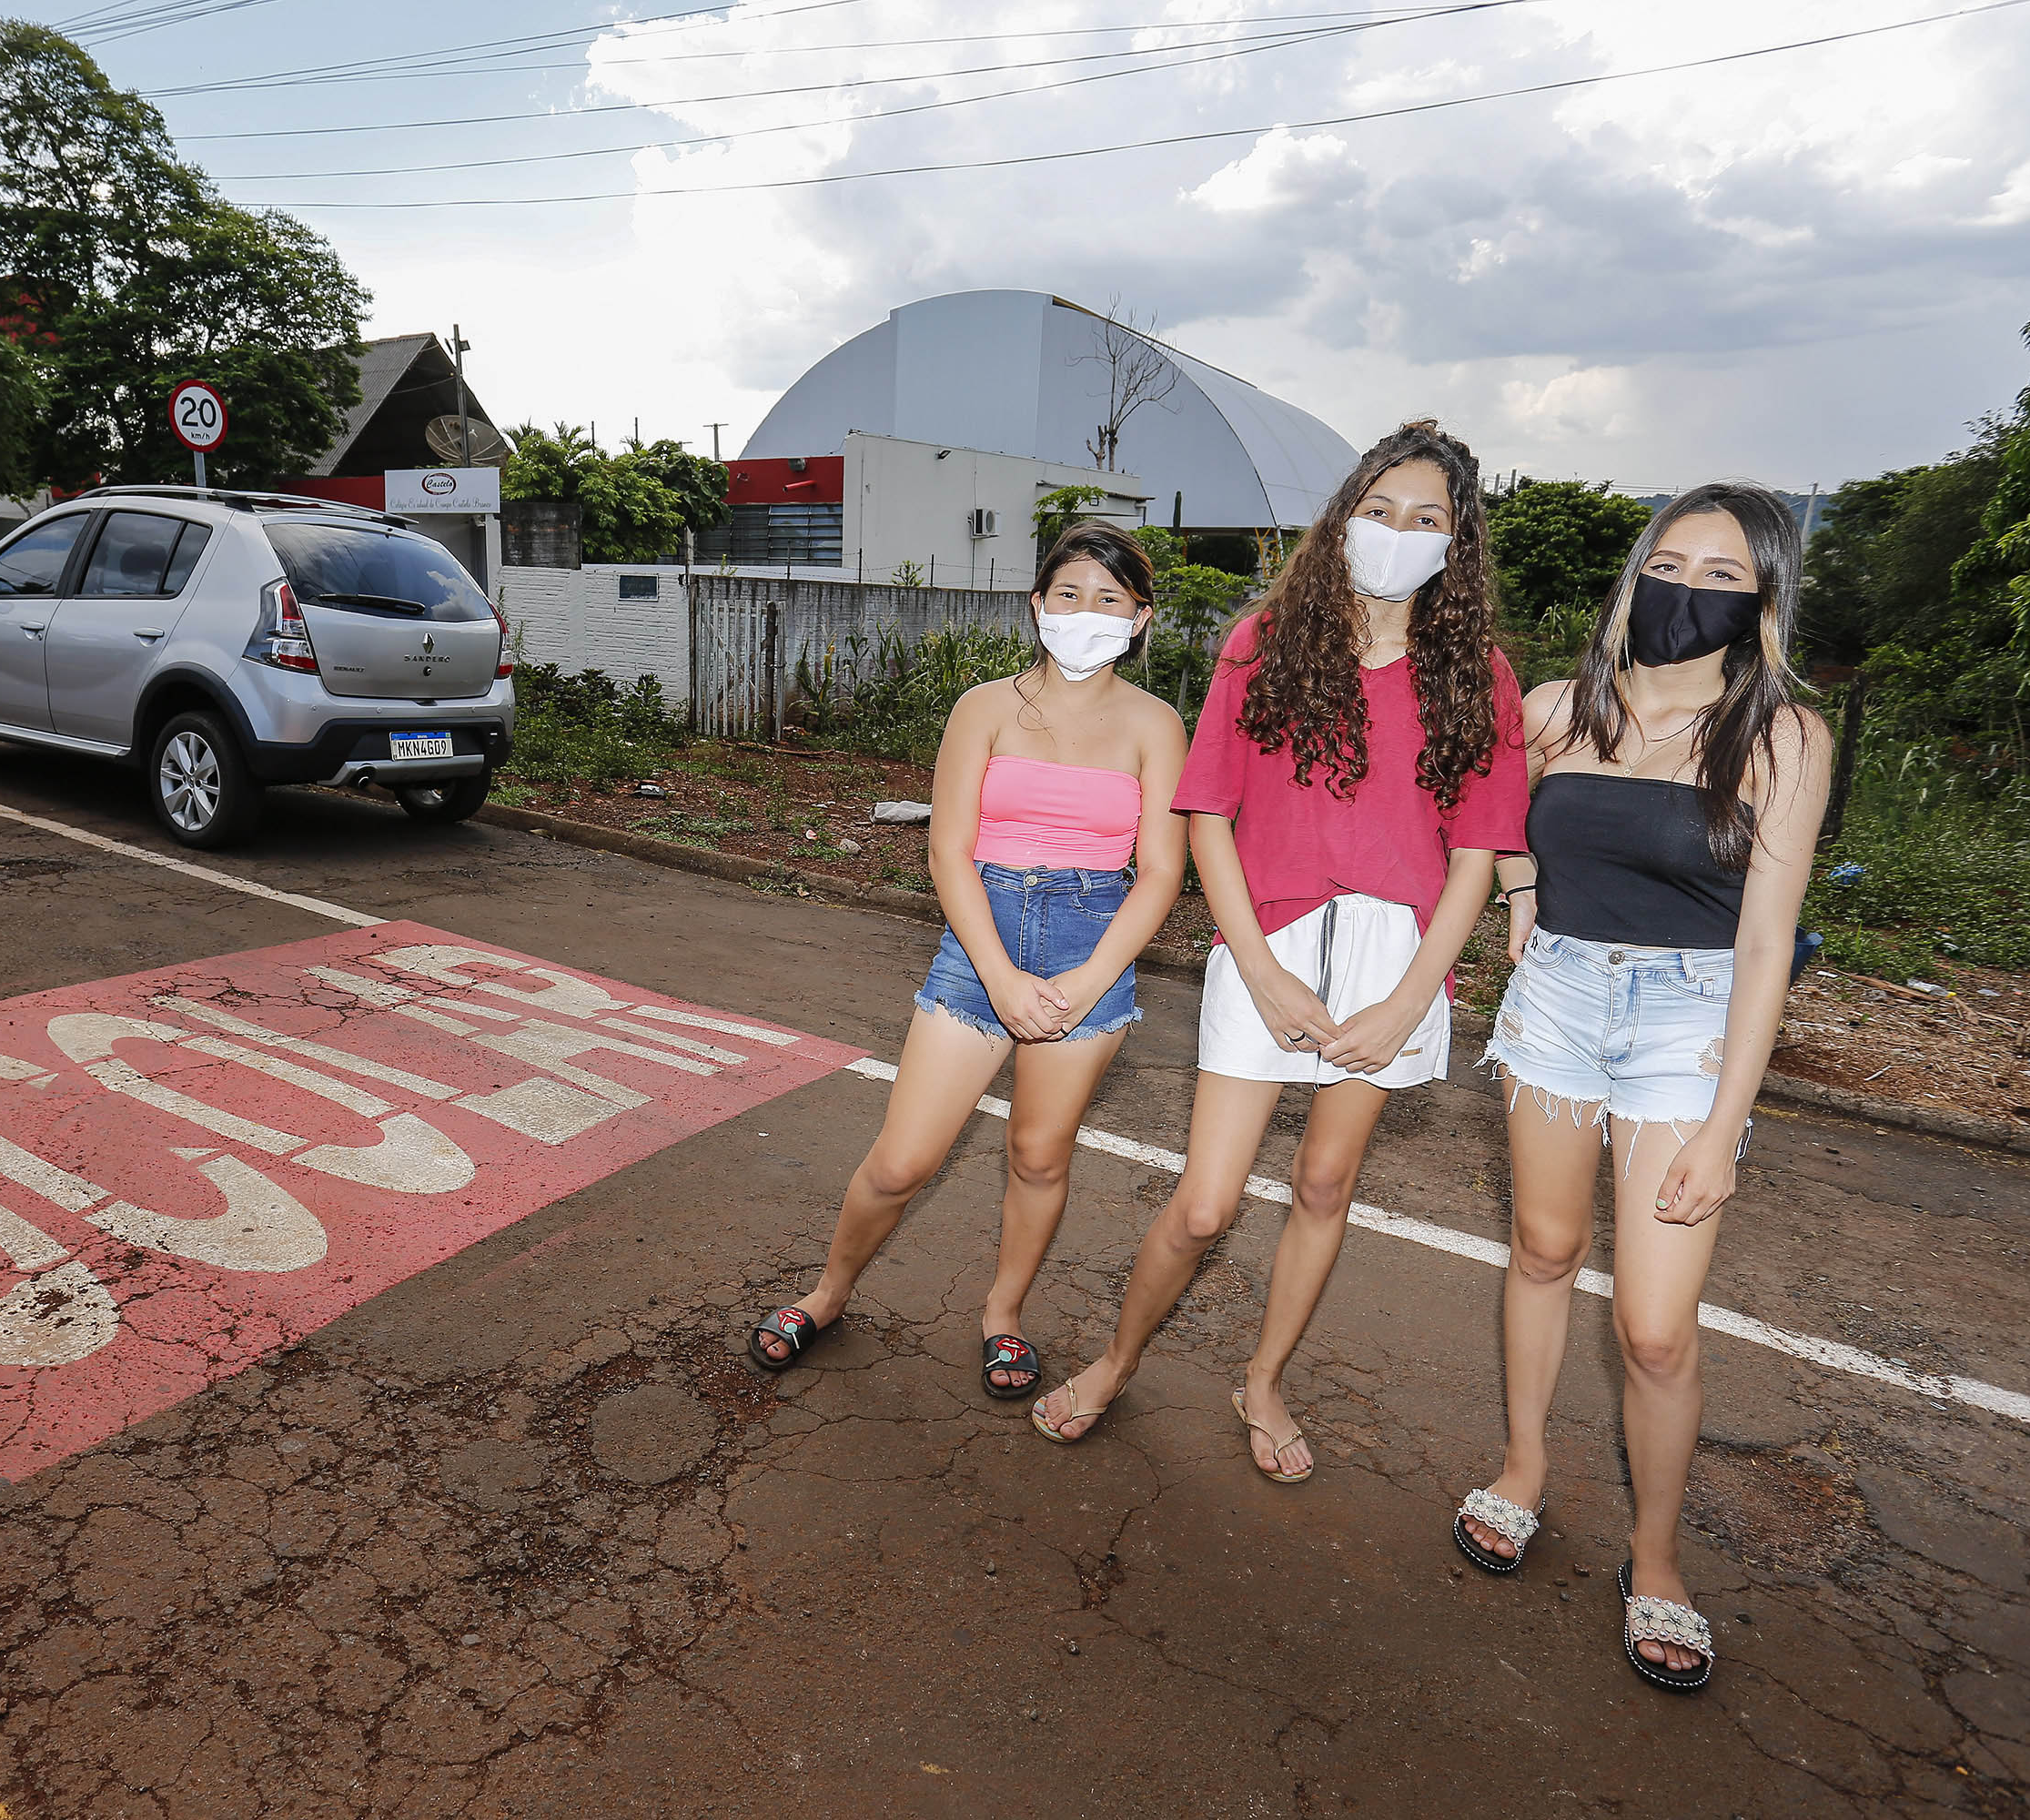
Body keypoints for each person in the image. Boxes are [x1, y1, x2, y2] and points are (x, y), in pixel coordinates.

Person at [1031, 421, 1526, 1472]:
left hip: (1401, 959)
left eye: (1427, 518)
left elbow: (1479, 848)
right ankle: (1119, 1357)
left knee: (1325, 1184)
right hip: (1266, 940)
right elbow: (1207, 811)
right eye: (1380, 509)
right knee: (1205, 1200)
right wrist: (1257, 966)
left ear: (1457, 544)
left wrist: (1405, 1004)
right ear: (1345, 517)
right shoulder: (1263, 642)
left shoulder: (1477, 674)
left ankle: (1262, 1380)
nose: (1399, 532)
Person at [1451, 482, 1829, 1694]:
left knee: (1656, 1329)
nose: (1692, 591)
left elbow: (1770, 942)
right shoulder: (1561, 712)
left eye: (1726, 576)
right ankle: (1521, 1470)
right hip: (1556, 997)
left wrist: (1726, 1123)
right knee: (1545, 1250)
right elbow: (1496, 824)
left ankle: (1656, 1559)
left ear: (1764, 598)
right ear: (1636, 573)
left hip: (1689, 1019)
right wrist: (1519, 897)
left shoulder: (1783, 738)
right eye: (1675, 563)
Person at [748, 523, 1188, 1400]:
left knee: (1038, 1156)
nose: (1085, 613)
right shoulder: (982, 707)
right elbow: (949, 850)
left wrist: (1083, 982)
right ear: (1036, 605)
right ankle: (828, 1293)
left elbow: (1162, 872)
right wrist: (998, 976)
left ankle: (1003, 1314)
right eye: (1067, 594)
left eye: (1109, 600)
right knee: (902, 1160)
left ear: (1139, 621)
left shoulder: (1158, 725)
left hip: (1088, 952)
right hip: (980, 943)